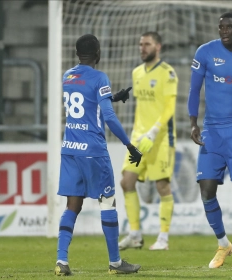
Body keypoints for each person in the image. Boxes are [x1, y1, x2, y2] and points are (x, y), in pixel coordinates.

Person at [55, 34, 143, 276]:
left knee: (72, 204)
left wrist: (112, 98)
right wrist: (129, 145)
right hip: (93, 151)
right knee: (108, 202)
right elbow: (109, 117)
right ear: (98, 54)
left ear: (76, 54)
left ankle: (61, 261)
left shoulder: (68, 76)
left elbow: (85, 104)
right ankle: (115, 263)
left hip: (70, 149)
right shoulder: (100, 76)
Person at [187, 12, 232, 269]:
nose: (223, 30)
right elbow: (194, 90)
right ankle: (223, 243)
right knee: (206, 190)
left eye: (229, 27)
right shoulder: (205, 52)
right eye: (221, 27)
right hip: (211, 131)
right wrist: (193, 123)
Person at [118, 31, 178, 251]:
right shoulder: (136, 73)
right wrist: (139, 134)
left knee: (162, 185)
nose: (142, 48)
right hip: (139, 140)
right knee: (127, 182)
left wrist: (153, 131)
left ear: (158, 47)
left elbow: (169, 108)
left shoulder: (168, 73)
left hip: (160, 139)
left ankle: (163, 238)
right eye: (140, 44)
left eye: (147, 44)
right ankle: (135, 234)